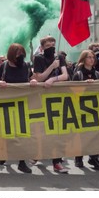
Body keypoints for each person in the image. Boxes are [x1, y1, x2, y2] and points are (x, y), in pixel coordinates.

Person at [0, 43, 37, 173]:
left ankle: (21, 161)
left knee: (22, 133)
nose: (21, 56)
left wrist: (33, 81)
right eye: (18, 54)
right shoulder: (5, 66)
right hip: (7, 104)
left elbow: (31, 78)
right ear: (12, 54)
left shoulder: (25, 66)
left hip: (22, 104)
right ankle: (4, 154)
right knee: (7, 131)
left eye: (22, 54)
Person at [33, 36, 69, 173]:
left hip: (58, 97)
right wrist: (51, 67)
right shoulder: (38, 58)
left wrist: (54, 78)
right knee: (42, 128)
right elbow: (39, 77)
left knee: (57, 130)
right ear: (42, 47)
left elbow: (65, 75)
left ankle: (57, 162)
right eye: (48, 45)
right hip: (42, 98)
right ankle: (38, 153)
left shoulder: (59, 57)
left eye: (53, 45)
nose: (51, 47)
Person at [71, 50, 99, 171]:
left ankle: (94, 157)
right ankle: (78, 157)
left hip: (96, 108)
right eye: (89, 57)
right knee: (81, 133)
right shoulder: (78, 75)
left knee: (95, 134)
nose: (91, 59)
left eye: (93, 57)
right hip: (81, 108)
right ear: (83, 59)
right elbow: (73, 92)